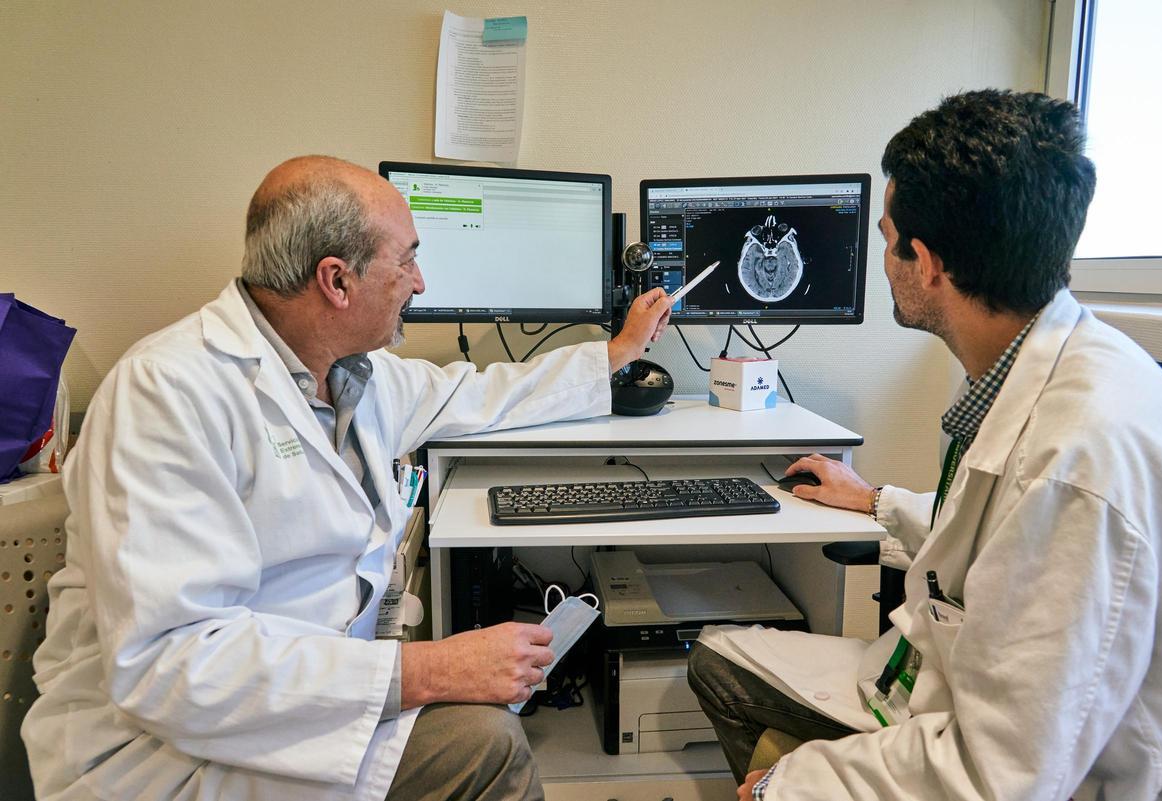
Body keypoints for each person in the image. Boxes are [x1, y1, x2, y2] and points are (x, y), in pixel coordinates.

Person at [21, 155, 675, 801]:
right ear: (336, 281)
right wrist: (430, 668)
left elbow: (480, 394)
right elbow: (173, 667)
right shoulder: (167, 392)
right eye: (407, 260)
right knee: (490, 742)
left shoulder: (351, 372)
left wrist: (615, 353)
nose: (420, 283)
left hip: (295, 707)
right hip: (167, 755)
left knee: (486, 730)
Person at [688, 90, 1162, 801]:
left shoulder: (1079, 463)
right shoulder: (1049, 367)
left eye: (888, 235)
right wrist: (872, 499)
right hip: (960, 697)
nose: (884, 253)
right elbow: (1000, 540)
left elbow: (996, 779)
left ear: (924, 262)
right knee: (718, 658)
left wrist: (787, 783)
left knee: (769, 758)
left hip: (1048, 770)